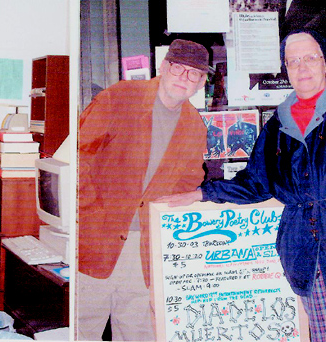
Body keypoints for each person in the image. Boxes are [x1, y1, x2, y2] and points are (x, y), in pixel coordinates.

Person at [158, 29, 326, 341]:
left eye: (310, 58)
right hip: (308, 259)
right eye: (293, 62)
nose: (301, 68)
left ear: (325, 62)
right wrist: (202, 192)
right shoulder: (279, 124)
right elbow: (256, 183)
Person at [77, 39, 209, 341]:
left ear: (201, 83)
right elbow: (79, 154)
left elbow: (188, 183)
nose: (183, 78)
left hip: (145, 251)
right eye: (178, 68)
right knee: (82, 329)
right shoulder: (121, 97)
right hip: (95, 241)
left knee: (138, 332)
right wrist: (90, 213)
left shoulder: (194, 126)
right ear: (163, 67)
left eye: (194, 74)